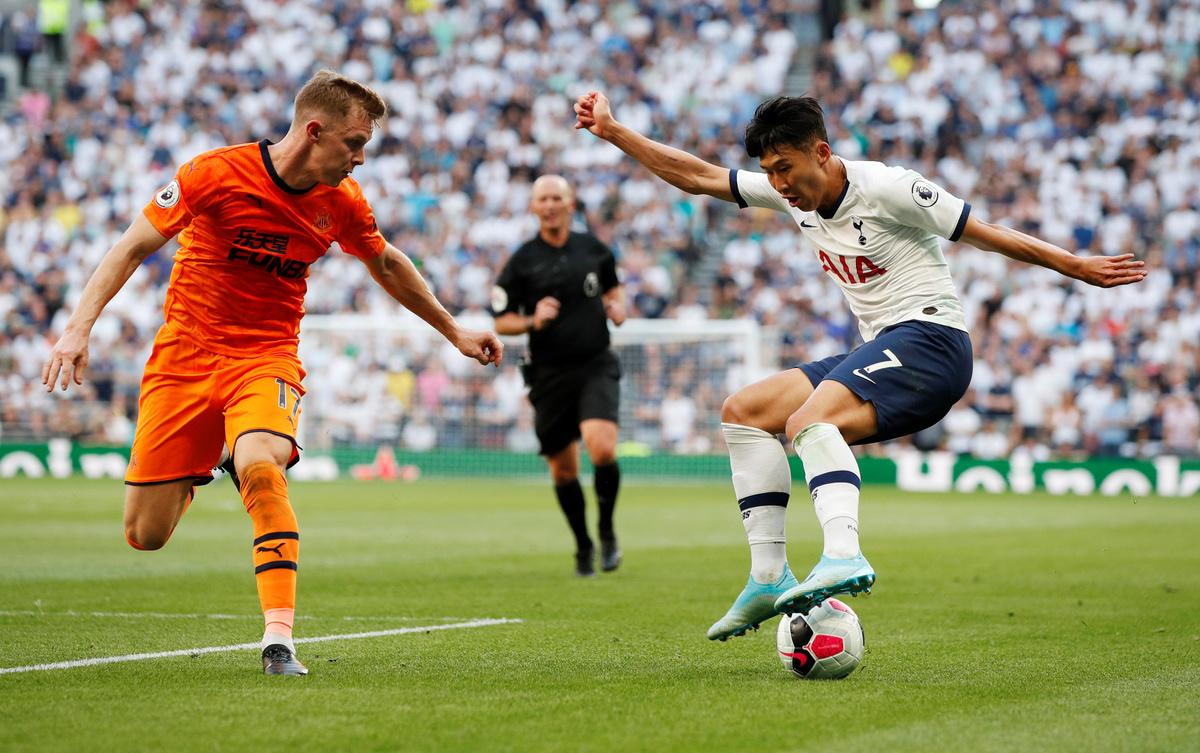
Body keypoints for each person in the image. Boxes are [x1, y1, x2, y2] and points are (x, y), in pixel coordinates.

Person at [575, 91, 1145, 640]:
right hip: (883, 345)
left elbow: (986, 234)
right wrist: (615, 131)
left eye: (785, 168)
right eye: (769, 172)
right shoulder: (789, 193)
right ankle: (769, 577)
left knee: (807, 422)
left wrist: (1075, 266)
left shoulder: (888, 187)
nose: (778, 184)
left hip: (933, 342)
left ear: (821, 152)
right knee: (744, 412)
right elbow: (696, 176)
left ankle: (844, 554)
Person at [41, 70, 504, 675]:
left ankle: (278, 640)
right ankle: (210, 461)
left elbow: (387, 264)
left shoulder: (342, 202)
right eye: (354, 143)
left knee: (261, 464)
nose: (361, 159)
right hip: (183, 360)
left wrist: (455, 330)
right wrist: (77, 329)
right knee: (144, 534)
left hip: (266, 358)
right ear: (314, 131)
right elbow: (130, 246)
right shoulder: (213, 174)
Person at [491, 175, 627, 577]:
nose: (550, 205)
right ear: (534, 207)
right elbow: (501, 321)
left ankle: (606, 531)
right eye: (543, 199)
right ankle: (583, 545)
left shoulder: (594, 249)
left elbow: (613, 290)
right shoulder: (522, 260)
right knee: (563, 471)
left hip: (595, 364)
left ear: (570, 204)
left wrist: (616, 306)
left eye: (556, 198)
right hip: (548, 374)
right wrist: (532, 320)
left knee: (601, 449)